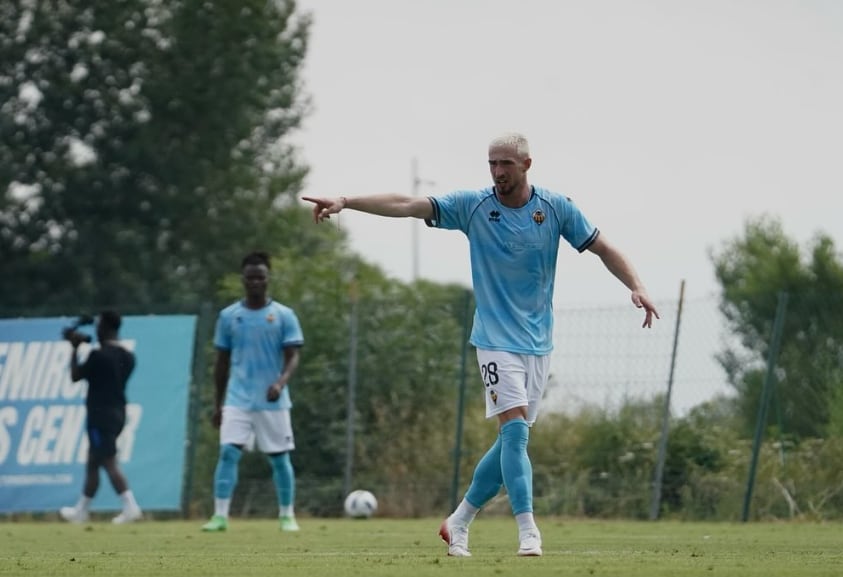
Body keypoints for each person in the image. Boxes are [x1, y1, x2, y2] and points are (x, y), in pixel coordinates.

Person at [303, 132, 660, 557]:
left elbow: (603, 247)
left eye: (505, 164)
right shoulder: (474, 206)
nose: (496, 172)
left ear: (527, 164)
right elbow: (407, 205)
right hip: (493, 340)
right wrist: (346, 201)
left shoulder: (556, 208)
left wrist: (636, 286)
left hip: (538, 343)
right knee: (515, 434)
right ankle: (528, 530)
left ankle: (459, 522)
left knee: (514, 439)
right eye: (492, 163)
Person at [201, 251, 305, 532]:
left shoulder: (283, 315)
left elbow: (293, 355)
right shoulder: (228, 317)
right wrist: (217, 404)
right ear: (243, 280)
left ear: (268, 278)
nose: (255, 282)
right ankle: (220, 516)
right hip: (238, 399)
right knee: (228, 454)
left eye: (260, 277)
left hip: (273, 400)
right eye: (250, 278)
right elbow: (221, 364)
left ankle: (287, 515)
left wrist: (280, 383)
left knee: (279, 457)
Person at [59, 310, 143, 524]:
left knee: (108, 461)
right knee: (93, 462)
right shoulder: (128, 356)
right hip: (118, 413)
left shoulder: (98, 356)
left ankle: (130, 505)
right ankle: (81, 510)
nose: (96, 329)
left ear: (105, 327)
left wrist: (74, 349)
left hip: (100, 416)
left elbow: (75, 376)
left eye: (99, 325)